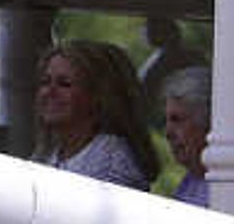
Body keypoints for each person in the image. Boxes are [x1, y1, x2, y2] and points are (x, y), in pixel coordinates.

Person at [29, 39, 157, 189]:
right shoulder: (48, 152)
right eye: (45, 82)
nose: (49, 92)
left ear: (99, 95)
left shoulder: (112, 163)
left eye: (64, 84)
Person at [158, 66, 213, 208]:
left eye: (177, 120)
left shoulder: (227, 185)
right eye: (167, 120)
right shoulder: (191, 180)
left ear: (208, 122)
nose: (167, 133)